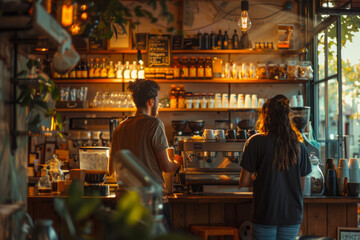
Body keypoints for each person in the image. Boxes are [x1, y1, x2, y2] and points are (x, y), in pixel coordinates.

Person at [109, 79, 182, 229]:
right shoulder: (154, 124)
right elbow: (166, 167)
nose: (158, 104)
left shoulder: (119, 128)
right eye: (157, 100)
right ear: (151, 101)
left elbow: (111, 170)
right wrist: (178, 162)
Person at [239, 94, 312, 240]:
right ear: (288, 118)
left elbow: (243, 182)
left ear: (266, 117)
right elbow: (301, 185)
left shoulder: (255, 142)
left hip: (265, 215)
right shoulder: (299, 146)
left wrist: (263, 179)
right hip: (292, 217)